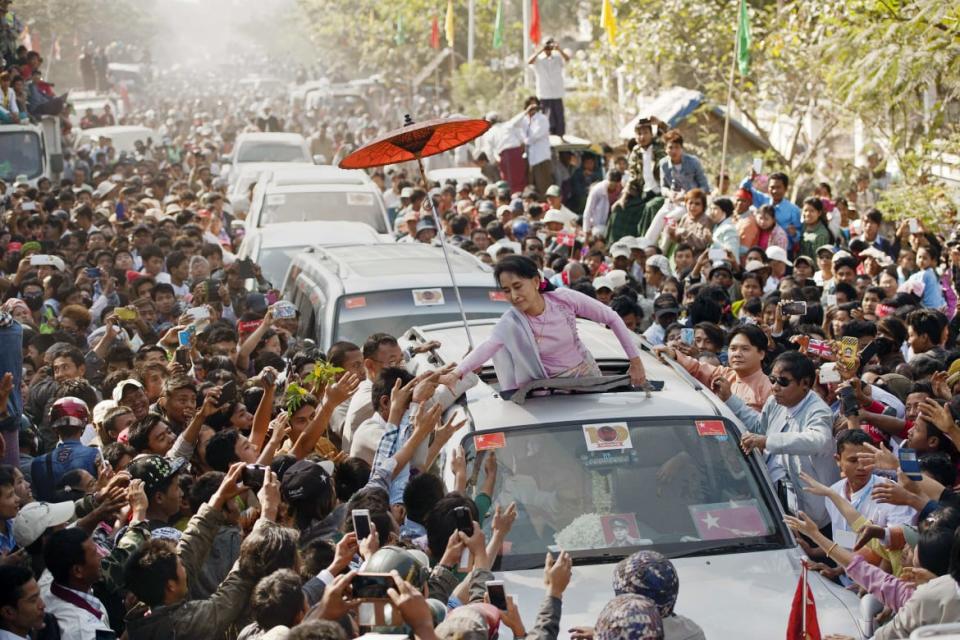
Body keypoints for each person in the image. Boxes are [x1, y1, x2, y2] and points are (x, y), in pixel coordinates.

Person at [446, 256, 646, 391]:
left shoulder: (563, 299)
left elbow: (611, 317)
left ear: (534, 281)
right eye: (506, 291)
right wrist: (457, 373)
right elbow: (488, 346)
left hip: (589, 378)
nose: (514, 296)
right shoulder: (511, 321)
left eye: (517, 286)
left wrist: (635, 362)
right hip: (548, 391)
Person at [712, 350, 838, 531]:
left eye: (783, 382)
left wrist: (768, 441)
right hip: (778, 501)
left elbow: (817, 440)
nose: (775, 387)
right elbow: (758, 428)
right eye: (772, 380)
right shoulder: (774, 402)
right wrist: (730, 399)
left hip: (815, 515)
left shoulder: (818, 411)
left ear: (805, 384)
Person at [527, 38, 569, 137]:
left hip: (557, 93)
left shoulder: (558, 58)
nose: (548, 49)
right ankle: (547, 136)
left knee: (559, 119)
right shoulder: (538, 59)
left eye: (549, 47)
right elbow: (529, 62)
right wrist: (540, 50)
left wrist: (559, 49)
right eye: (547, 47)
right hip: (544, 94)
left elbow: (567, 59)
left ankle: (560, 137)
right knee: (546, 118)